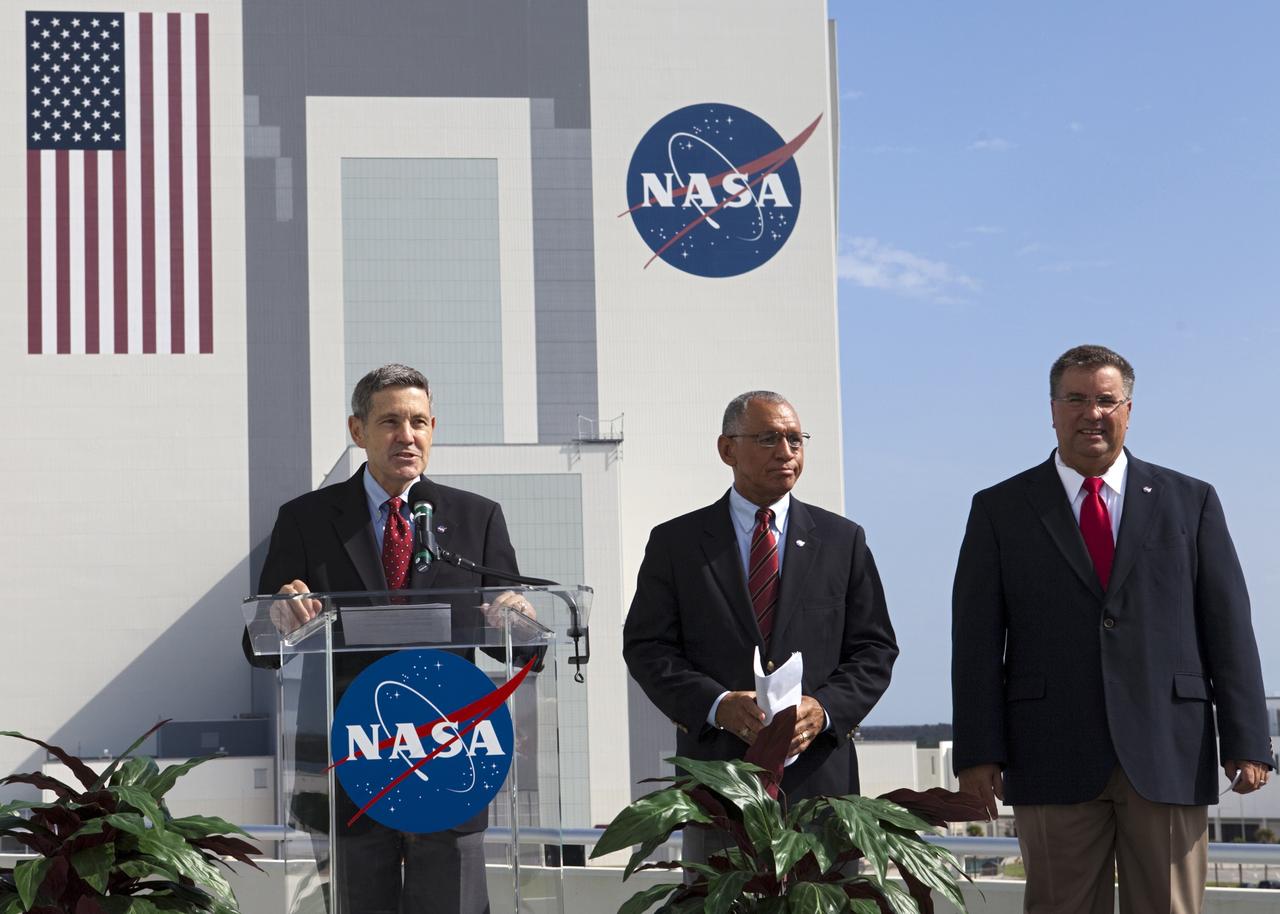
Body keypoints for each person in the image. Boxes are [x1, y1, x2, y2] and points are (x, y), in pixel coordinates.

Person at [951, 344, 1272, 914]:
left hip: (1169, 749)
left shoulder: (1191, 501)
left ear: (1128, 409)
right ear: (1052, 409)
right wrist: (979, 753)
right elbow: (975, 641)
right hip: (1049, 752)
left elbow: (1228, 627)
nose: (1090, 413)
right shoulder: (999, 508)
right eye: (1075, 399)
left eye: (1105, 400)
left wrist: (1247, 739)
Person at [250, 363, 532, 914]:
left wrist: (514, 615)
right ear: (358, 432)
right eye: (390, 422)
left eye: (419, 422)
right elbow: (258, 640)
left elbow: (519, 642)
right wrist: (281, 613)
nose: (408, 436)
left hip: (451, 756)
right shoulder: (306, 519)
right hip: (350, 759)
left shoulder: (477, 518)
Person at [623, 390, 898, 859]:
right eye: (768, 438)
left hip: (820, 792)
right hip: (719, 790)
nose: (786, 451)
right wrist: (716, 704)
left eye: (795, 439)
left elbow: (874, 650)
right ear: (727, 449)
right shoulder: (677, 544)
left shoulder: (842, 540)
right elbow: (648, 648)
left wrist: (824, 708)